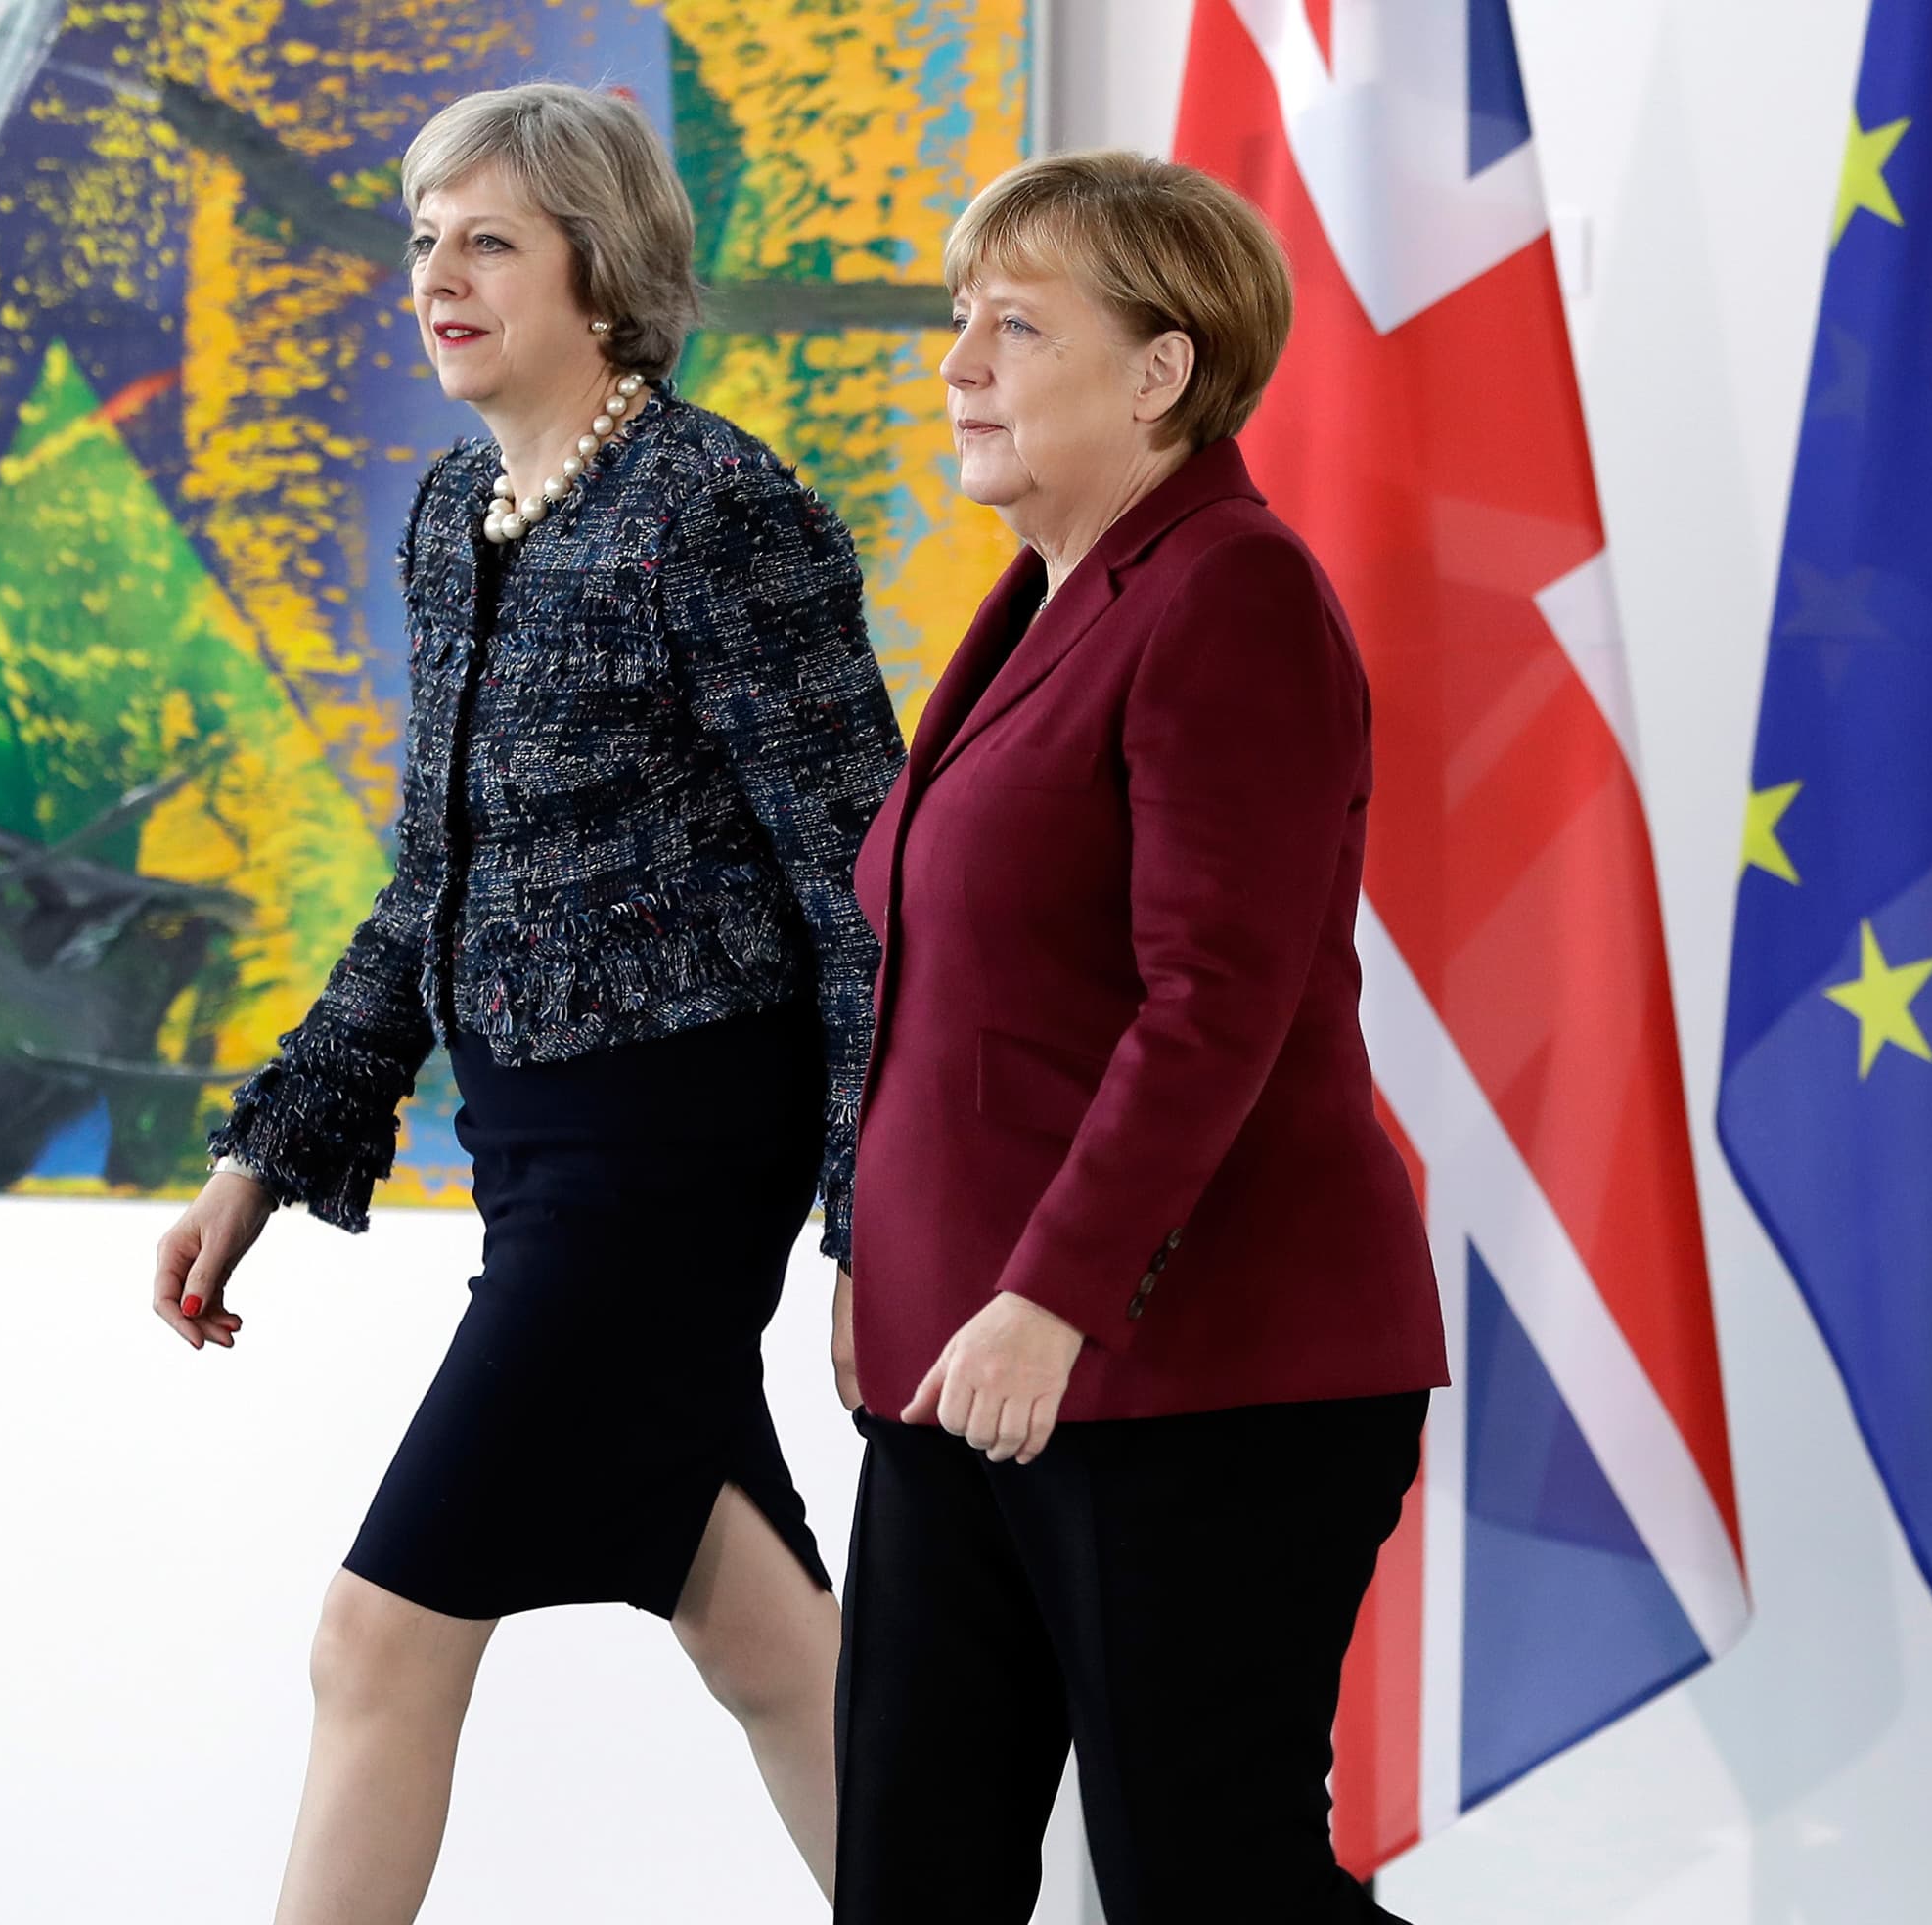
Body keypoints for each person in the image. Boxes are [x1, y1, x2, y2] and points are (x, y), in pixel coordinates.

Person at [142, 83, 899, 1922]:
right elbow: (432, 882)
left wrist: (874, 1226)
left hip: (678, 1158)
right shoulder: (455, 514)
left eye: (488, 239)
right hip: (543, 1151)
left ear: (603, 269)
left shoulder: (718, 505)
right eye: (423, 237)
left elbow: (871, 886)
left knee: (377, 1640)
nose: (438, 275)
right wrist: (261, 1157)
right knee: (768, 1644)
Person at [830, 149, 1449, 1923]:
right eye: (961, 321)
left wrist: (1052, 1297)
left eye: (1014, 327)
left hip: (1203, 1368)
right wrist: (893, 1267)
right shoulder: (1043, 598)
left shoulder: (1229, 592)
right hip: (964, 1369)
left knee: (1208, 1887)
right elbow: (954, 1002)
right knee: (913, 1879)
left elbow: (1216, 1002)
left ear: (1162, 373)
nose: (958, 364)